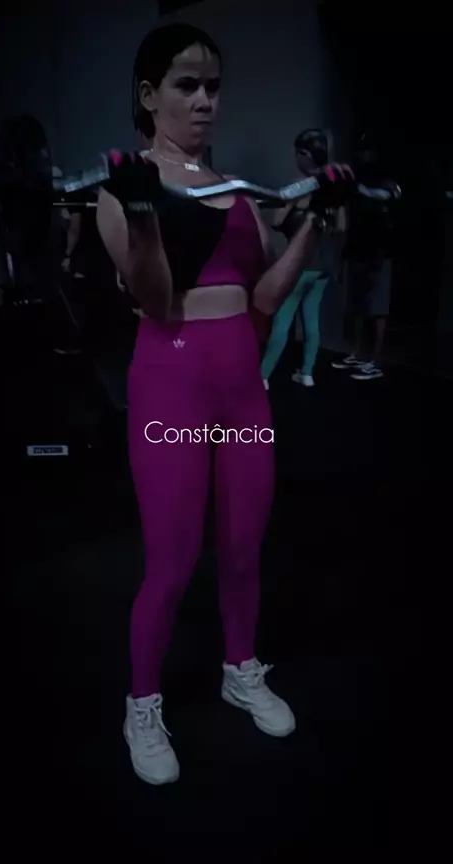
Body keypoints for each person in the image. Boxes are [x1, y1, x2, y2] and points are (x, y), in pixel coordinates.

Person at [96, 22, 353, 786]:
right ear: (150, 95)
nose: (205, 100)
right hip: (171, 384)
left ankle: (241, 669)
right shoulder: (122, 188)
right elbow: (154, 300)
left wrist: (315, 223)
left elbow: (266, 298)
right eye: (187, 85)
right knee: (174, 560)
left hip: (242, 390)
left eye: (213, 86)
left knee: (243, 548)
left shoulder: (237, 191)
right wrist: (145, 215)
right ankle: (142, 704)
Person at [261, 129, 346, 389]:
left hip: (300, 265)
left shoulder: (298, 187)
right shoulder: (334, 189)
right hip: (323, 267)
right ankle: (307, 373)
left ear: (305, 154)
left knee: (282, 320)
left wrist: (290, 203)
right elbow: (341, 226)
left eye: (298, 153)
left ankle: (262, 376)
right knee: (311, 319)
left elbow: (276, 222)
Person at [332, 134, 397, 380]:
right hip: (357, 250)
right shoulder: (356, 181)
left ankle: (375, 362)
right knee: (357, 305)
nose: (362, 155)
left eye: (367, 151)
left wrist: (364, 192)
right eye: (360, 151)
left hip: (380, 252)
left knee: (377, 309)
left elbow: (389, 196)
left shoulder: (386, 182)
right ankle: (358, 354)